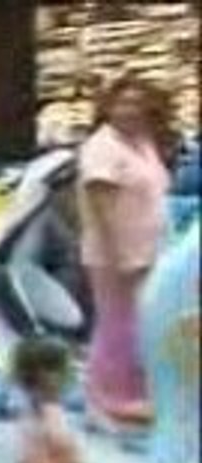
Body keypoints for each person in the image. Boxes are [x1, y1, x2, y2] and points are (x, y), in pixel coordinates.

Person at [76, 75, 173, 429]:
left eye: (137, 103)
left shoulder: (143, 143)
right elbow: (101, 207)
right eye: (123, 103)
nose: (130, 110)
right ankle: (100, 403)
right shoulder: (101, 147)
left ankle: (131, 396)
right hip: (114, 253)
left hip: (149, 249)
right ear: (108, 107)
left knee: (139, 324)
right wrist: (120, 255)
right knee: (114, 325)